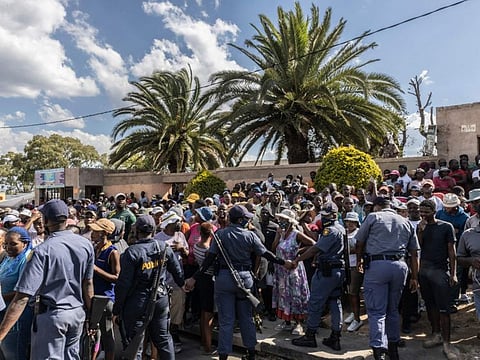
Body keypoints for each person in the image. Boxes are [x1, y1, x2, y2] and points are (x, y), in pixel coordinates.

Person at [185, 205, 294, 360]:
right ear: (241, 219)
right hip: (244, 278)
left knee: (226, 320)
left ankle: (223, 355)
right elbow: (265, 254)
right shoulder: (249, 235)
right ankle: (250, 352)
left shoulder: (220, 235)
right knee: (246, 317)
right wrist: (284, 263)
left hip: (224, 278)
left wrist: (193, 278)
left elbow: (209, 260)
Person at [0, 199, 95, 359]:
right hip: (77, 314)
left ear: (46, 221)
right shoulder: (85, 244)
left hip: (53, 317)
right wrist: (93, 318)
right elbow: (88, 283)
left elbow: (22, 297)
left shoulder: (42, 251)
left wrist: (1, 333)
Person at [354, 197, 419, 360]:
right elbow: (414, 252)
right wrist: (415, 277)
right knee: (393, 309)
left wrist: (360, 261)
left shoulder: (374, 217)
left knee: (377, 311)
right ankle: (393, 348)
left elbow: (359, 242)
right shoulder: (405, 221)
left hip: (377, 265)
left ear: (377, 206)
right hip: (400, 266)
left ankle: (379, 349)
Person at [113, 215, 185, 360]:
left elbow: (123, 284)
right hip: (160, 298)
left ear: (136, 230)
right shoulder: (163, 247)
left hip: (137, 301)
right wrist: (183, 285)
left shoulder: (132, 252)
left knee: (134, 343)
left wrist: (117, 309)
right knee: (163, 339)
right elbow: (177, 272)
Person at [291, 202, 345, 351]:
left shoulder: (330, 231)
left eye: (327, 216)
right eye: (323, 216)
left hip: (327, 271)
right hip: (337, 270)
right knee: (335, 301)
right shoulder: (341, 228)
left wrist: (297, 259)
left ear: (334, 215)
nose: (325, 218)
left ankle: (310, 335)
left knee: (315, 302)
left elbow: (316, 248)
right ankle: (335, 336)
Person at [417, 199, 459, 360]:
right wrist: (420, 231)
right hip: (425, 272)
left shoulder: (445, 227)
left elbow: (452, 251)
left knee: (444, 309)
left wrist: (453, 273)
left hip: (441, 272)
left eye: (426, 212)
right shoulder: (420, 227)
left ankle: (447, 342)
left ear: (434, 212)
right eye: (421, 212)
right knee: (430, 305)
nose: (423, 215)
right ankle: (436, 334)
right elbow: (418, 248)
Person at [272, 209, 315, 336]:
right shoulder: (282, 234)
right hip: (281, 271)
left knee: (295, 296)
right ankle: (287, 321)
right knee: (284, 295)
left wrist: (298, 254)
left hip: (293, 270)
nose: (281, 222)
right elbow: (273, 248)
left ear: (290, 222)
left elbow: (313, 244)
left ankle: (299, 323)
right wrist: (277, 235)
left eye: (284, 220)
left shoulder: (296, 234)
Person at [89, 218, 120, 360]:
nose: (92, 233)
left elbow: (116, 277)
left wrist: (95, 269)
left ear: (104, 233)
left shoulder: (112, 252)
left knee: (107, 334)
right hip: (93, 296)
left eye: (96, 231)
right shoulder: (95, 248)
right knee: (94, 334)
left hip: (106, 298)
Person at [0, 227, 32, 360]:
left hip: (17, 314)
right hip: (3, 309)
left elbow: (24, 291)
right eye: (6, 244)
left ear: (24, 244)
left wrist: (1, 297)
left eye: (13, 244)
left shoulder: (26, 260)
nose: (8, 247)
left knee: (14, 352)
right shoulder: (8, 259)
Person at [343, 212, 364, 332]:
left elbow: (358, 249)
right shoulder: (344, 233)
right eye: (348, 221)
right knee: (349, 292)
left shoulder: (359, 234)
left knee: (354, 292)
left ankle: (357, 319)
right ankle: (353, 312)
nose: (350, 224)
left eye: (352, 222)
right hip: (346, 265)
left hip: (355, 266)